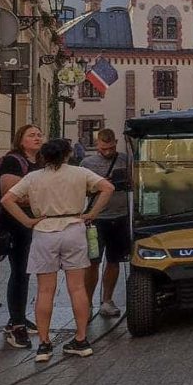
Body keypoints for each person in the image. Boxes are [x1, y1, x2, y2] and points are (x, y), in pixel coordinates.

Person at [1, 139, 114, 363]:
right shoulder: (79, 172)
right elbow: (108, 187)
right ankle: (81, 339)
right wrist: (92, 214)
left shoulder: (34, 177)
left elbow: (7, 199)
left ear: (44, 156)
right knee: (77, 287)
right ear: (67, 154)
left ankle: (44, 344)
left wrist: (27, 221)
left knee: (45, 290)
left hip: (45, 230)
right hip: (73, 227)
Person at [0, 124, 44, 350]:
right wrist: (38, 197)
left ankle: (18, 316)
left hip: (33, 223)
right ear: (21, 140)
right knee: (18, 272)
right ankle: (16, 325)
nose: (37, 138)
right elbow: (9, 194)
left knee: (25, 272)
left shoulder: (41, 161)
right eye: (31, 135)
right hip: (15, 224)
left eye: (39, 135)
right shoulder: (12, 161)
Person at [81, 129, 130, 318]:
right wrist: (100, 185)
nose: (107, 152)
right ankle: (86, 301)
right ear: (97, 144)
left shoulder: (125, 160)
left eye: (110, 148)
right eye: (103, 148)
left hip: (120, 216)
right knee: (92, 261)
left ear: (116, 143)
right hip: (97, 220)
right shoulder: (87, 163)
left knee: (114, 260)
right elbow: (82, 190)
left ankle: (107, 300)